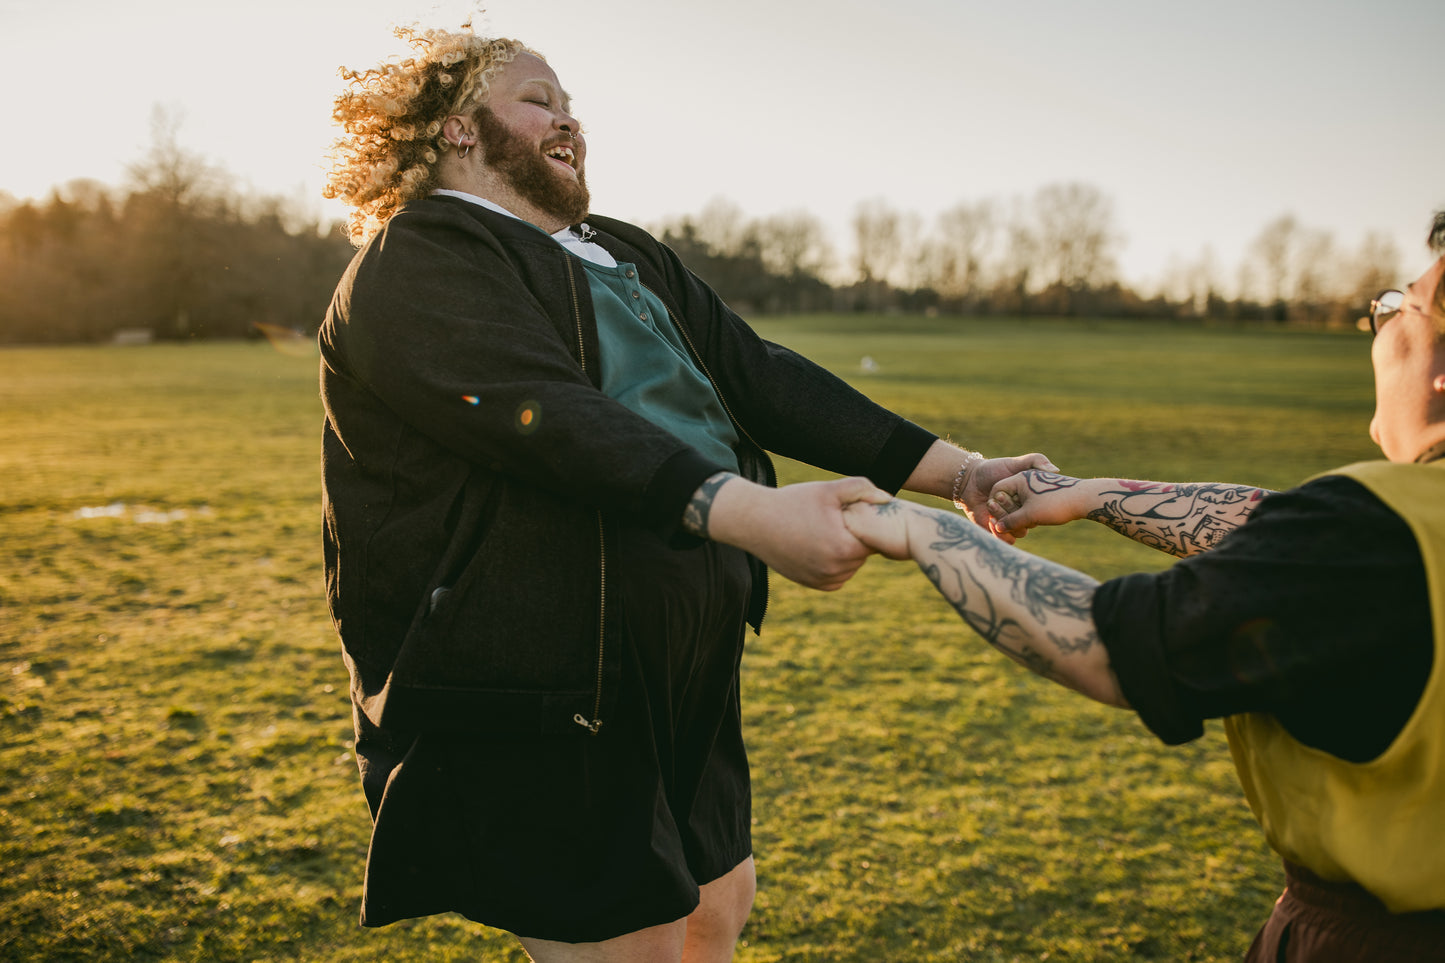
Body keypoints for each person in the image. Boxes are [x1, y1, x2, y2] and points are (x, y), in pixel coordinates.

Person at [317, 26, 1049, 963]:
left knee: (714, 902)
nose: (568, 117)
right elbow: (546, 415)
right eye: (537, 98)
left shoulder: (620, 251)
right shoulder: (417, 256)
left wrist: (963, 473)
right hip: (540, 668)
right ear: (458, 129)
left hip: (677, 645)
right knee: (631, 939)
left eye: (569, 102)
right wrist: (753, 515)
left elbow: (761, 375)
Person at [843, 211, 1445, 961]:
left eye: (1395, 309)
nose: (1377, 328)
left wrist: (916, 529)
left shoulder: (1373, 535)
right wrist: (1094, 493)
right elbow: (1284, 531)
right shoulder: (1387, 532)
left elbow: (1108, 643)